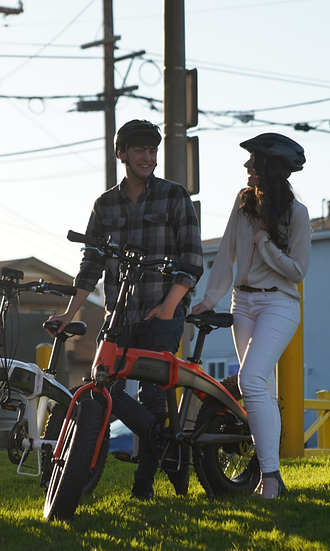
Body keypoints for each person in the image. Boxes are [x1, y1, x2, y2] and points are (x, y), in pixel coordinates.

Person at [47, 119, 203, 501]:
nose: (148, 158)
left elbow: (192, 261)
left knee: (152, 397)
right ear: (122, 155)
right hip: (118, 316)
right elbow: (91, 264)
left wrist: (168, 308)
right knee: (103, 388)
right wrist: (70, 313)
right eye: (139, 151)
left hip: (161, 315)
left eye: (152, 151)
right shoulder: (105, 204)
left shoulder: (174, 196)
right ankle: (167, 450)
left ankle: (143, 487)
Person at [191, 132, 310, 499]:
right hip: (241, 304)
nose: (247, 166)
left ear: (269, 168)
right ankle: (267, 475)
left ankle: (270, 478)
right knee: (260, 388)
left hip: (279, 304)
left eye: (253, 161)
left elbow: (298, 270)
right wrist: (209, 299)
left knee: (251, 377)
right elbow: (226, 252)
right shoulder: (242, 203)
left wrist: (264, 243)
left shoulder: (296, 214)